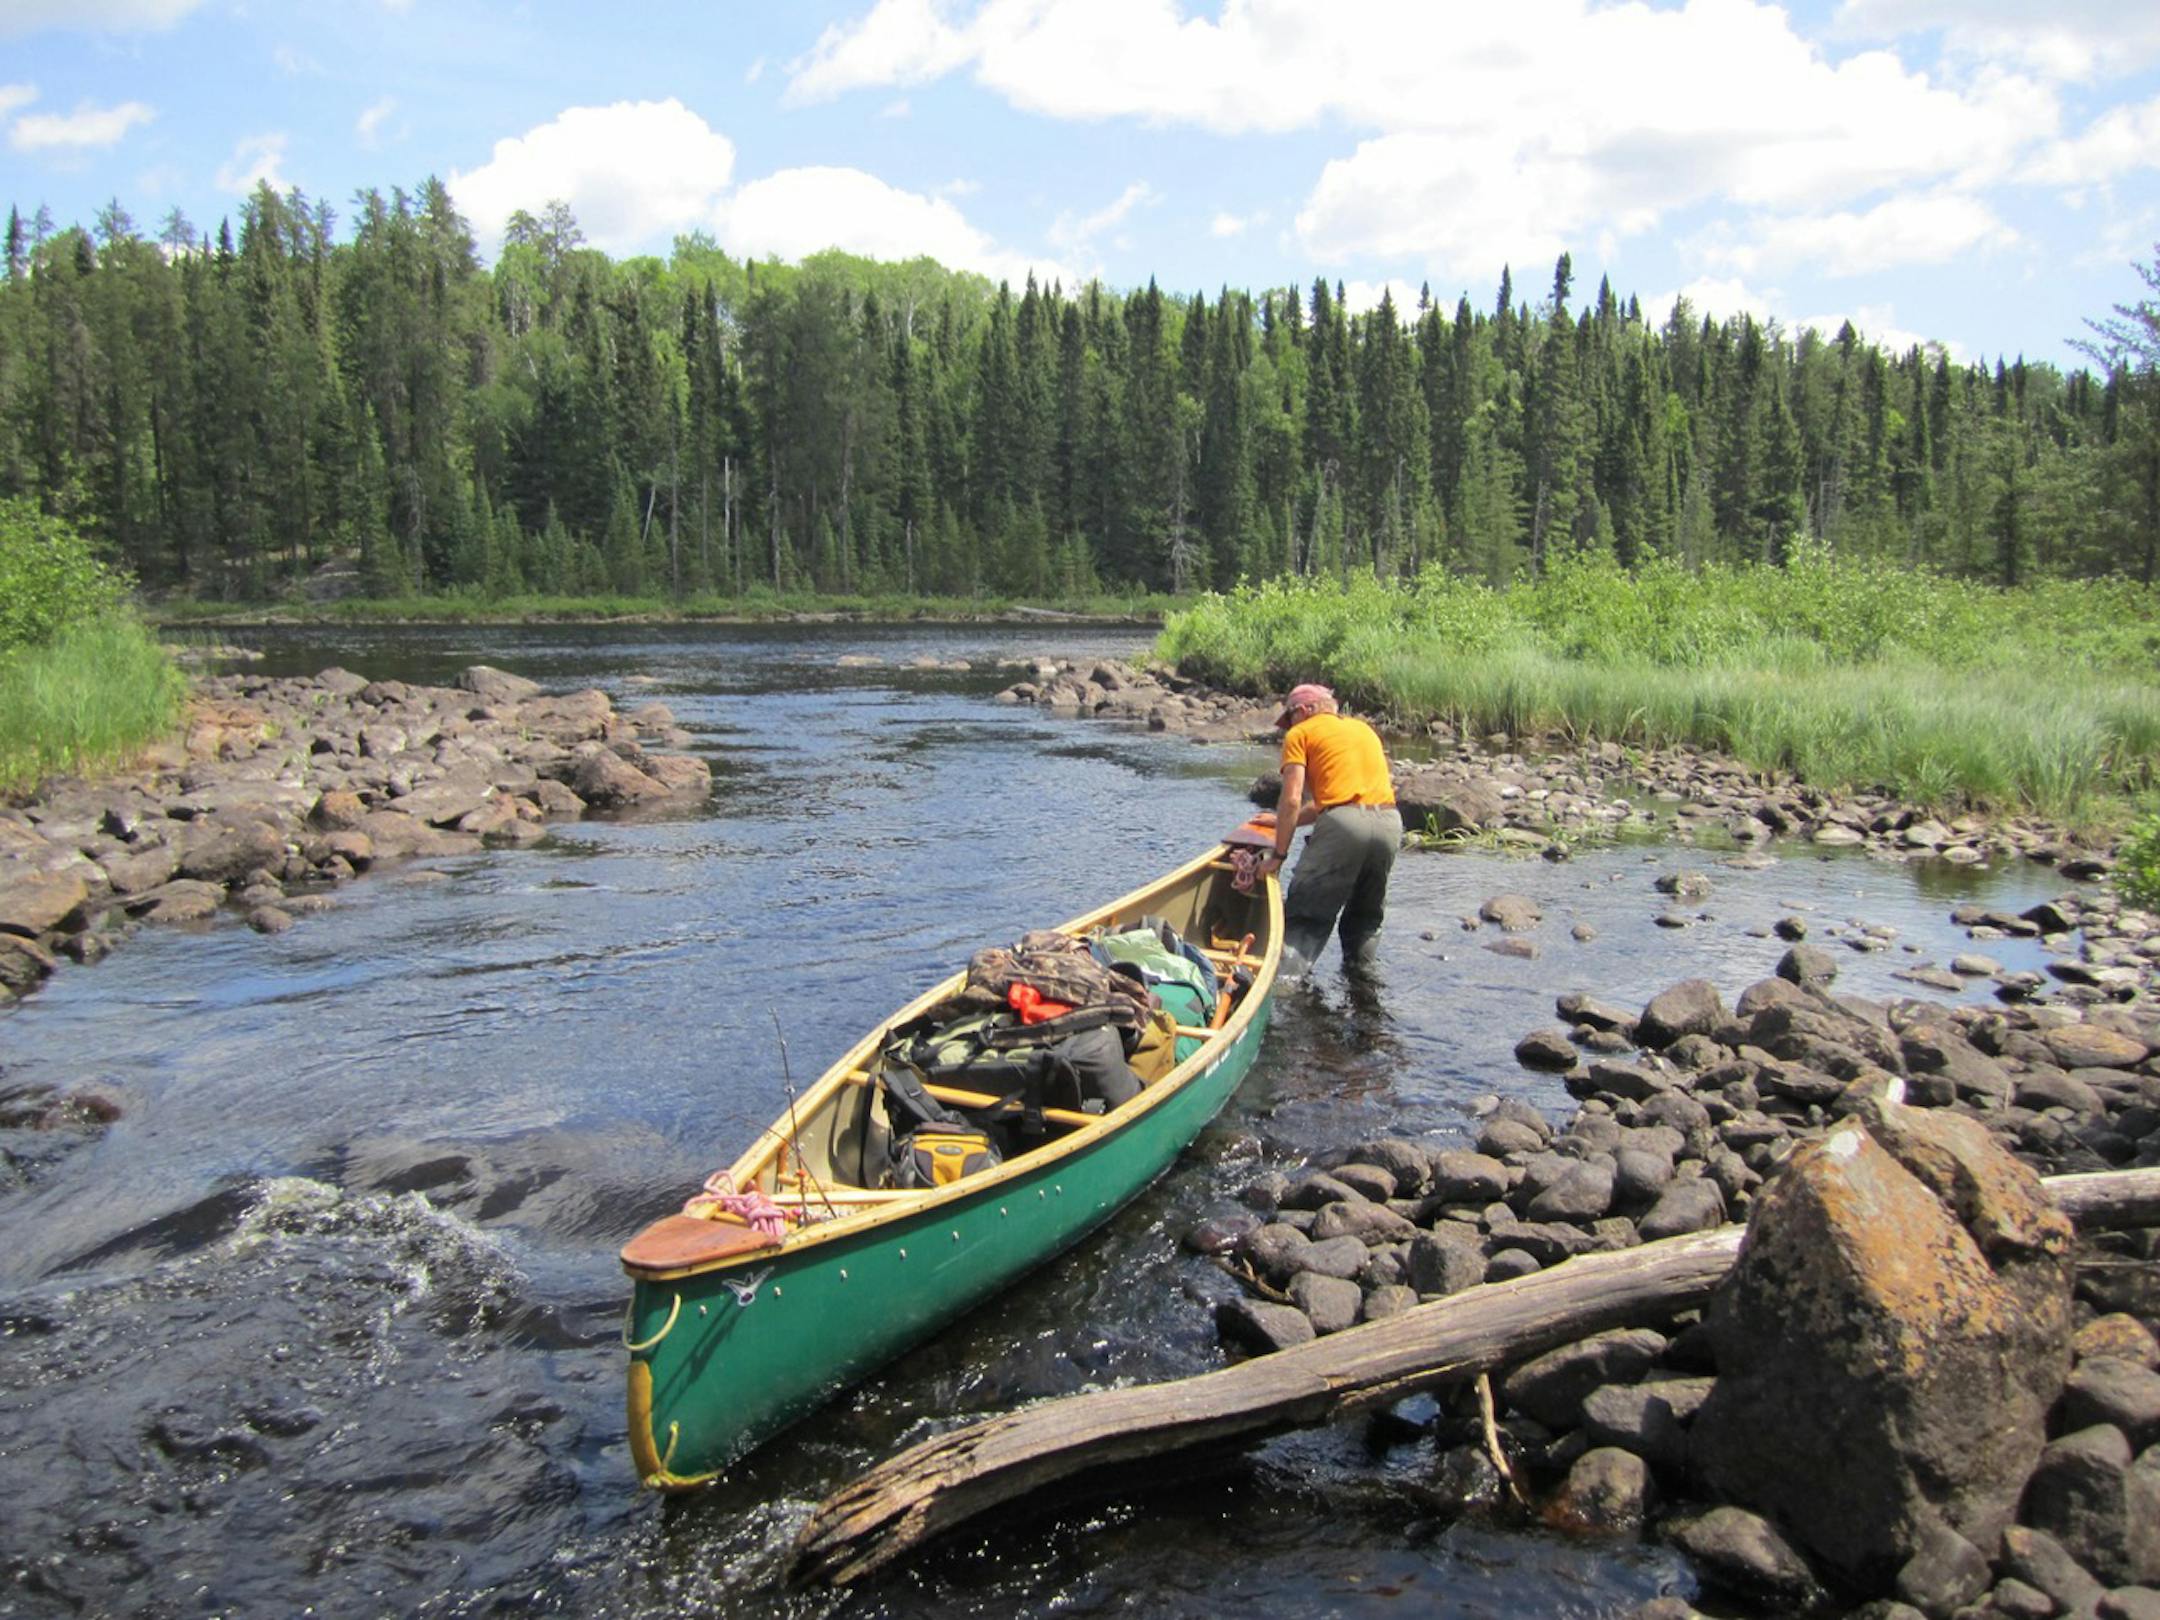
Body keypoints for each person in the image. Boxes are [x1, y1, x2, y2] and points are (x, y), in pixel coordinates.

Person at [1259, 683, 1402, 976]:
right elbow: (1340, 799)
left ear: (1303, 710)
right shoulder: (1363, 730)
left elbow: (1292, 798)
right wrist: (1287, 822)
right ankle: (1364, 986)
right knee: (1366, 917)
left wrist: (1278, 854)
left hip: (1343, 828)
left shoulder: (1301, 733)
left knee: (1306, 917)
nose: (1288, 727)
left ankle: (1285, 990)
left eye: (1289, 718)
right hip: (1389, 823)